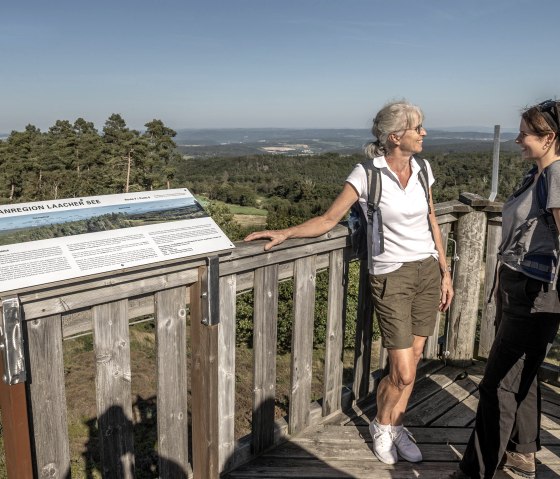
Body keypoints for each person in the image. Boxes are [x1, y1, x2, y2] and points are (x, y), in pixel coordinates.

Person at [244, 100, 454, 465]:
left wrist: (446, 271)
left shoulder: (422, 168)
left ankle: (396, 425)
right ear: (394, 136)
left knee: (415, 360)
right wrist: (286, 232)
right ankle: (381, 425)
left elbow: (432, 219)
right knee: (402, 372)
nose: (424, 133)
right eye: (417, 128)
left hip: (428, 271)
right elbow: (328, 219)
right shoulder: (366, 174)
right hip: (391, 275)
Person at [452, 99, 560, 479]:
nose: (518, 139)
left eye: (525, 133)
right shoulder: (538, 174)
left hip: (534, 294)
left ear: (549, 137)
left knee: (497, 386)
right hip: (523, 287)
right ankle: (522, 453)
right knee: (521, 375)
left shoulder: (557, 175)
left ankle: (475, 473)